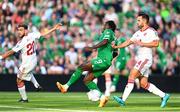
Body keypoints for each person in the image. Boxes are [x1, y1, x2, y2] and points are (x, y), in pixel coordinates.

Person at [112, 12, 170, 108]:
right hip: (141, 59)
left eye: (139, 20)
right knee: (143, 84)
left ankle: (122, 99)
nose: (137, 22)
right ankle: (164, 95)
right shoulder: (138, 33)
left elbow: (156, 44)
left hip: (146, 58)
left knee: (132, 75)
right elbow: (128, 42)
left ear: (144, 20)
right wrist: (117, 46)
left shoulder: (152, 31)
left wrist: (143, 44)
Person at [56, 21, 116, 107]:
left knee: (81, 67)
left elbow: (105, 41)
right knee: (87, 80)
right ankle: (102, 97)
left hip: (103, 60)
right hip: (106, 62)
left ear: (109, 26)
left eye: (105, 25)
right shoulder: (115, 38)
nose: (103, 26)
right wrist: (109, 59)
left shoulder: (108, 31)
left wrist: (92, 48)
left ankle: (66, 86)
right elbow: (115, 53)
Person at [0, 23, 62, 102]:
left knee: (19, 80)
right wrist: (54, 28)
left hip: (27, 63)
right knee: (25, 75)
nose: (19, 32)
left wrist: (1, 57)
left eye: (21, 30)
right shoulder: (32, 35)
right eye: (18, 30)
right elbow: (43, 34)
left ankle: (25, 99)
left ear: (26, 30)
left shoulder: (22, 42)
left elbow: (11, 52)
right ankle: (37, 85)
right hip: (33, 61)